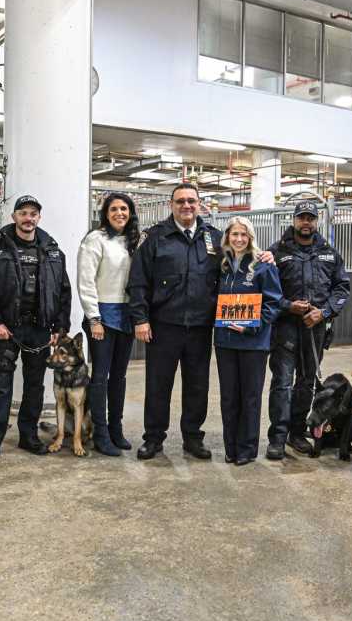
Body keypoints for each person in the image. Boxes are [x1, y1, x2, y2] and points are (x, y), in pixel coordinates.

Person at [127, 183, 273, 461]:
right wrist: (140, 319)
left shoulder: (214, 238)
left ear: (199, 204)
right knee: (158, 385)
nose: (186, 206)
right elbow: (138, 281)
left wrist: (266, 254)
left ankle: (193, 437)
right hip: (163, 325)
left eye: (191, 201)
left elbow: (240, 256)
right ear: (171, 205)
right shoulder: (155, 237)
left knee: (197, 386)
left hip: (201, 327)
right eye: (180, 201)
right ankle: (153, 438)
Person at [0, 195, 72, 465]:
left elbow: (63, 291)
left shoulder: (53, 251)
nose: (28, 218)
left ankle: (28, 435)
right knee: (1, 386)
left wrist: (60, 327)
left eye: (33, 213)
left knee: (35, 385)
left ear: (39, 217)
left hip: (40, 330)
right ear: (14, 216)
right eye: (23, 213)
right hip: (6, 330)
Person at [266, 199, 350, 460]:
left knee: (306, 383)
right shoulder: (276, 252)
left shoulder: (330, 253)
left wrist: (323, 313)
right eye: (301, 217)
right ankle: (277, 438)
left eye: (310, 218)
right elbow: (266, 291)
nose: (306, 222)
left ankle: (297, 433)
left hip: (316, 328)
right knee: (282, 383)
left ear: (316, 221)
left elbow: (342, 288)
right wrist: (288, 306)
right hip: (285, 328)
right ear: (294, 219)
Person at [214, 217, 283, 465]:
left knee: (250, 398)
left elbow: (274, 302)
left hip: (253, 344)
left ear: (251, 237)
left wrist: (253, 326)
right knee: (229, 397)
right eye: (234, 234)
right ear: (227, 237)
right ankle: (231, 448)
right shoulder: (221, 265)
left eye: (244, 234)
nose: (239, 239)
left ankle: (247, 449)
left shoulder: (264, 265)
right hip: (225, 342)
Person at [76, 193, 140, 457]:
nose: (119, 213)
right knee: (100, 377)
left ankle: (116, 428)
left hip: (127, 315)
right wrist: (94, 318)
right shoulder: (95, 239)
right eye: (114, 209)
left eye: (124, 208)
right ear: (105, 213)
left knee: (120, 377)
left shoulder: (134, 240)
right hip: (102, 315)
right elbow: (86, 281)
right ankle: (100, 434)